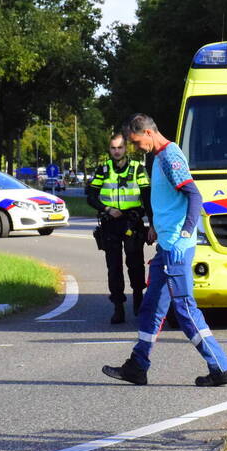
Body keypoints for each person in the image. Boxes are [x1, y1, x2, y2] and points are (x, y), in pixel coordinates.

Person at [102, 113, 227, 387]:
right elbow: (169, 200)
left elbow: (194, 196)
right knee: (151, 308)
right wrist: (155, 227)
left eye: (138, 142)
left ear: (149, 133)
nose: (137, 148)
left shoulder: (169, 157)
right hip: (166, 245)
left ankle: (221, 367)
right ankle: (137, 367)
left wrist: (185, 232)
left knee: (185, 309)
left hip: (176, 248)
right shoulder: (158, 157)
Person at [87, 133, 151, 324]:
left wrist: (152, 224)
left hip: (132, 221)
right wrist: (107, 209)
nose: (117, 151)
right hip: (110, 224)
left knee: (135, 263)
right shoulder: (103, 169)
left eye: (120, 147)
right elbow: (91, 196)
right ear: (109, 149)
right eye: (113, 148)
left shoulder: (137, 168)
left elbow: (147, 197)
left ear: (126, 149)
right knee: (113, 267)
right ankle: (118, 307)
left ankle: (138, 298)